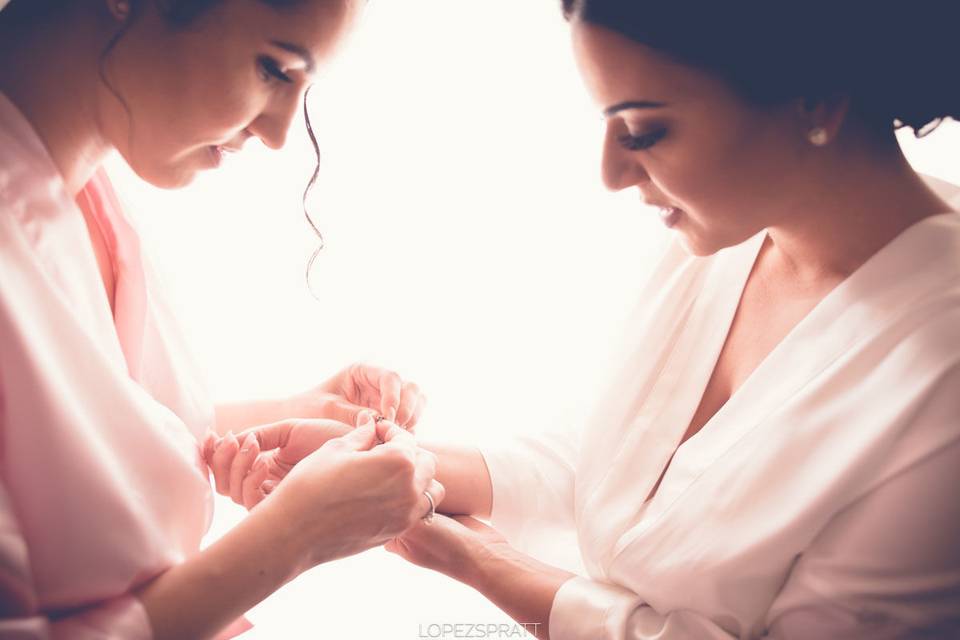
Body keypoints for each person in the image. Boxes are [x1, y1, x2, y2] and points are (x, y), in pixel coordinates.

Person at [214, 1, 960, 638]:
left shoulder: (941, 372)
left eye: (643, 132)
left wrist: (470, 558)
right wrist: (401, 468)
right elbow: (614, 466)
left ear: (814, 96)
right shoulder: (724, 238)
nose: (610, 173)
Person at [0, 1, 443, 638]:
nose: (280, 133)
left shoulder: (92, 184)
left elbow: (64, 438)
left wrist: (290, 413)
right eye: (273, 68)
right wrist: (295, 536)